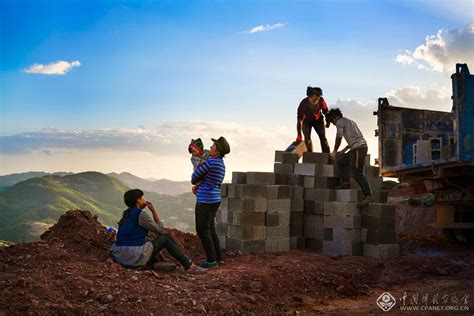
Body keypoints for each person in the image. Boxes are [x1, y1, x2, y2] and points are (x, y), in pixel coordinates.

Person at [111, 189, 203, 274]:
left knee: (147, 239)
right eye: (142, 198)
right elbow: (160, 231)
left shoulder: (126, 213)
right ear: (138, 201)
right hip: (132, 255)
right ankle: (189, 265)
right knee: (166, 238)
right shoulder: (141, 214)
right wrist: (153, 211)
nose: (144, 200)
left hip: (120, 255)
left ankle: (151, 263)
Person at [191, 136, 230, 269]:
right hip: (214, 199)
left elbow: (194, 178)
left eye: (213, 147)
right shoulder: (220, 163)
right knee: (210, 229)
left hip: (205, 200)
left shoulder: (210, 163)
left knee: (202, 230)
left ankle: (211, 261)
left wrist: (200, 163)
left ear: (217, 151)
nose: (211, 148)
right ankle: (218, 258)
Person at [325, 108, 374, 206]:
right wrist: (343, 151)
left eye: (333, 122)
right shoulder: (350, 122)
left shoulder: (340, 122)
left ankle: (368, 196)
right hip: (356, 148)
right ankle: (346, 183)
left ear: (336, 118)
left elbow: (339, 137)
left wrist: (334, 151)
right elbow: (354, 139)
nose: (334, 124)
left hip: (358, 149)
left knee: (357, 173)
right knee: (341, 162)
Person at [296, 86, 330, 153]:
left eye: (317, 99)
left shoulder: (321, 100)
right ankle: (310, 155)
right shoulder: (303, 103)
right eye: (314, 99)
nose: (316, 101)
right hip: (306, 121)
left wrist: (327, 121)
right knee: (307, 139)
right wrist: (299, 134)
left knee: (323, 138)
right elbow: (299, 120)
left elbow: (326, 111)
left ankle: (327, 156)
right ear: (309, 97)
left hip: (318, 120)